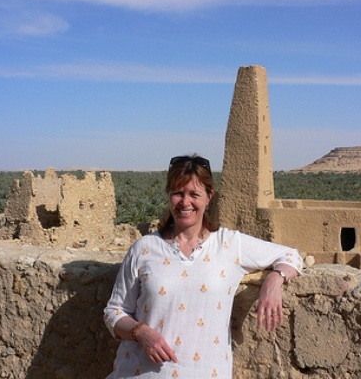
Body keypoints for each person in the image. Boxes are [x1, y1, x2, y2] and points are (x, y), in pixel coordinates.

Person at [104, 154, 303, 378]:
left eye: (194, 194)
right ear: (168, 195)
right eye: (178, 193)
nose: (185, 202)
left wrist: (274, 280)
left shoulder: (229, 244)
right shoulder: (144, 248)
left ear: (209, 197)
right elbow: (114, 312)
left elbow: (291, 256)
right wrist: (141, 332)